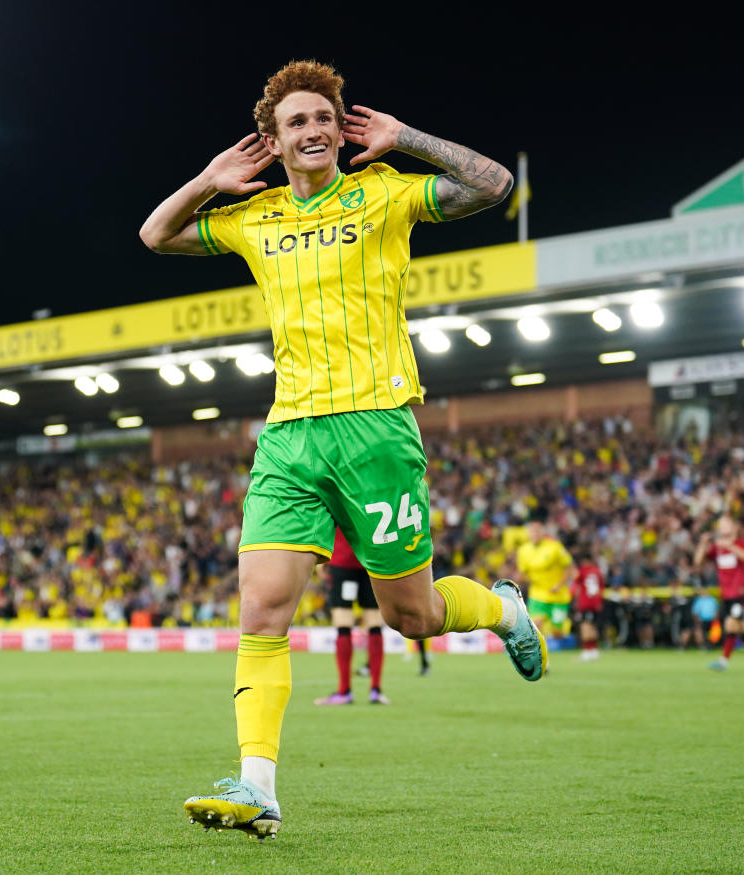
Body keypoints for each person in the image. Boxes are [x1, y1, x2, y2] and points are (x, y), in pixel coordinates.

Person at [140, 59, 543, 840]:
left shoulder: (385, 192)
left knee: (413, 616)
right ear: (274, 140)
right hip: (290, 432)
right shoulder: (252, 217)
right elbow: (156, 233)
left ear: (340, 126)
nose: (315, 129)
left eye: (325, 116)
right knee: (259, 604)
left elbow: (494, 184)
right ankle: (259, 787)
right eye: (297, 121)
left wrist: (408, 139)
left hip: (377, 426)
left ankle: (503, 608)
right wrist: (208, 178)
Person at [314, 527, 389, 705]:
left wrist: (321, 559)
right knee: (374, 621)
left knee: (343, 622)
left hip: (342, 561)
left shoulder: (337, 496)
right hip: (371, 560)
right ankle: (376, 690)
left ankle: (344, 691)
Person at [694, 515, 744, 671]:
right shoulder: (718, 548)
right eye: (720, 525)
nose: (721, 527)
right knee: (742, 627)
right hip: (726, 593)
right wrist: (703, 543)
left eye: (725, 524)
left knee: (731, 625)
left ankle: (723, 661)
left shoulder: (741, 544)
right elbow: (698, 561)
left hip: (739, 592)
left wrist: (730, 546)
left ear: (734, 527)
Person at [516, 509, 575, 639]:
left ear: (543, 532)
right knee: (535, 626)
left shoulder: (555, 547)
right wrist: (517, 581)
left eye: (537, 530)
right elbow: (522, 573)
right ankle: (535, 655)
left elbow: (570, 568)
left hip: (558, 595)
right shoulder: (523, 550)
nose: (534, 533)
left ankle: (555, 636)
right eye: (532, 530)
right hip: (538, 595)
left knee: (557, 633)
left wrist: (559, 585)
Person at [570, 552, 605, 661]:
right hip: (596, 603)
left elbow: (575, 583)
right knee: (593, 626)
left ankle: (586, 651)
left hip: (586, 603)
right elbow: (601, 587)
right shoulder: (597, 571)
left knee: (585, 626)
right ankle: (594, 650)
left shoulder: (582, 571)